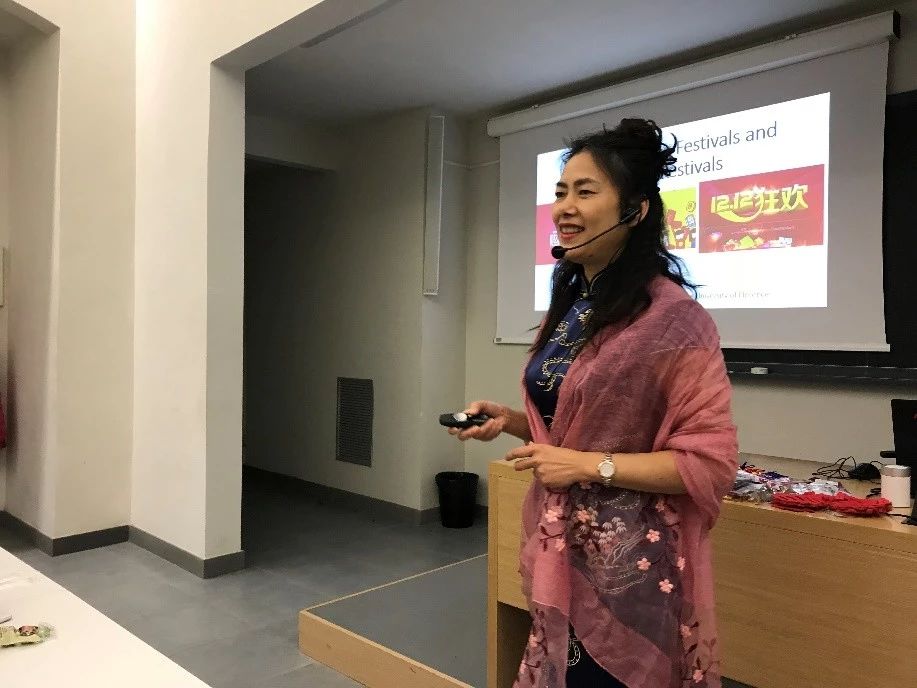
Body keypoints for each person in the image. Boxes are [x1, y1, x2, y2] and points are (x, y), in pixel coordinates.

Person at [449, 119, 738, 688]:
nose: (565, 208)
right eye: (561, 192)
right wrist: (512, 422)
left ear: (636, 210)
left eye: (585, 191)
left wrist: (586, 465)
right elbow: (579, 428)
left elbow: (710, 462)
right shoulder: (576, 304)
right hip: (563, 547)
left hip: (631, 568)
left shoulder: (675, 320)